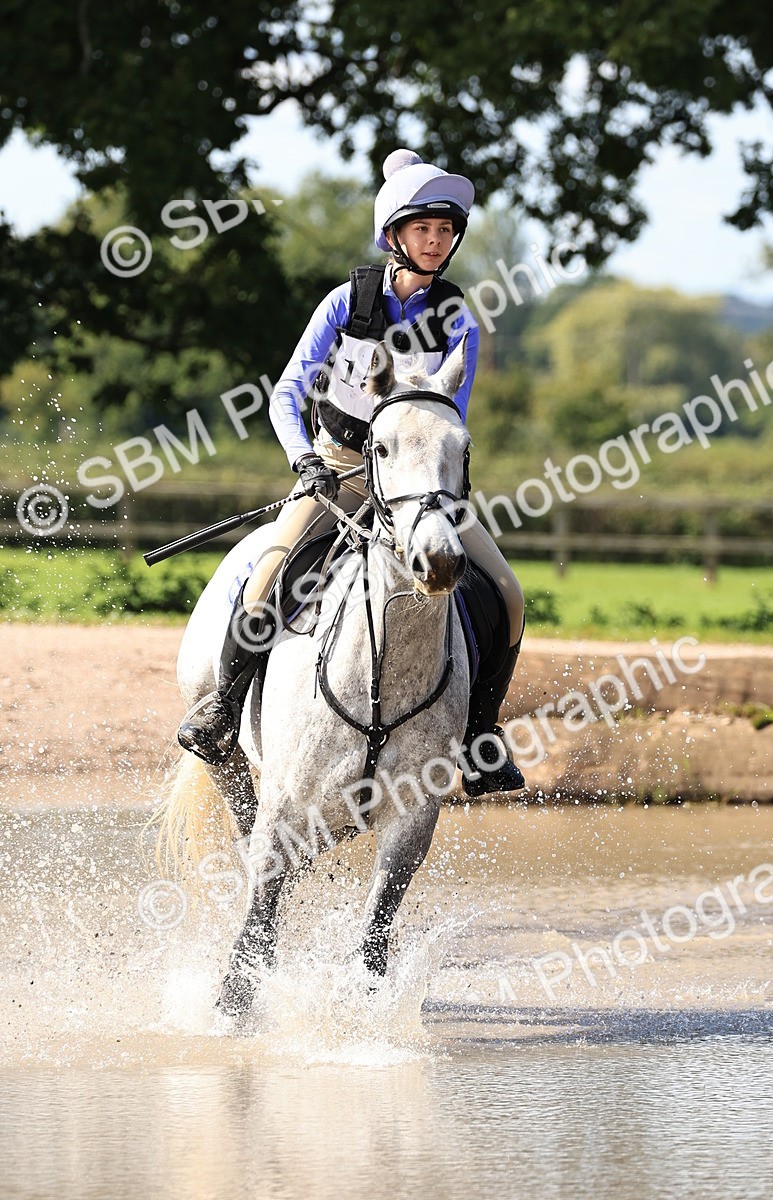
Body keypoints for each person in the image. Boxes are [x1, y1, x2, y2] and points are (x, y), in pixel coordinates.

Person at [178, 149, 526, 796]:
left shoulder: (459, 323)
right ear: (395, 234)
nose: (435, 240)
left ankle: (481, 736)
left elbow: (452, 419)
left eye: (445, 231)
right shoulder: (345, 303)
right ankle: (221, 710)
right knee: (266, 578)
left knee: (507, 593)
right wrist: (303, 459)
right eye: (423, 228)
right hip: (337, 471)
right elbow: (287, 392)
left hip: (418, 484)